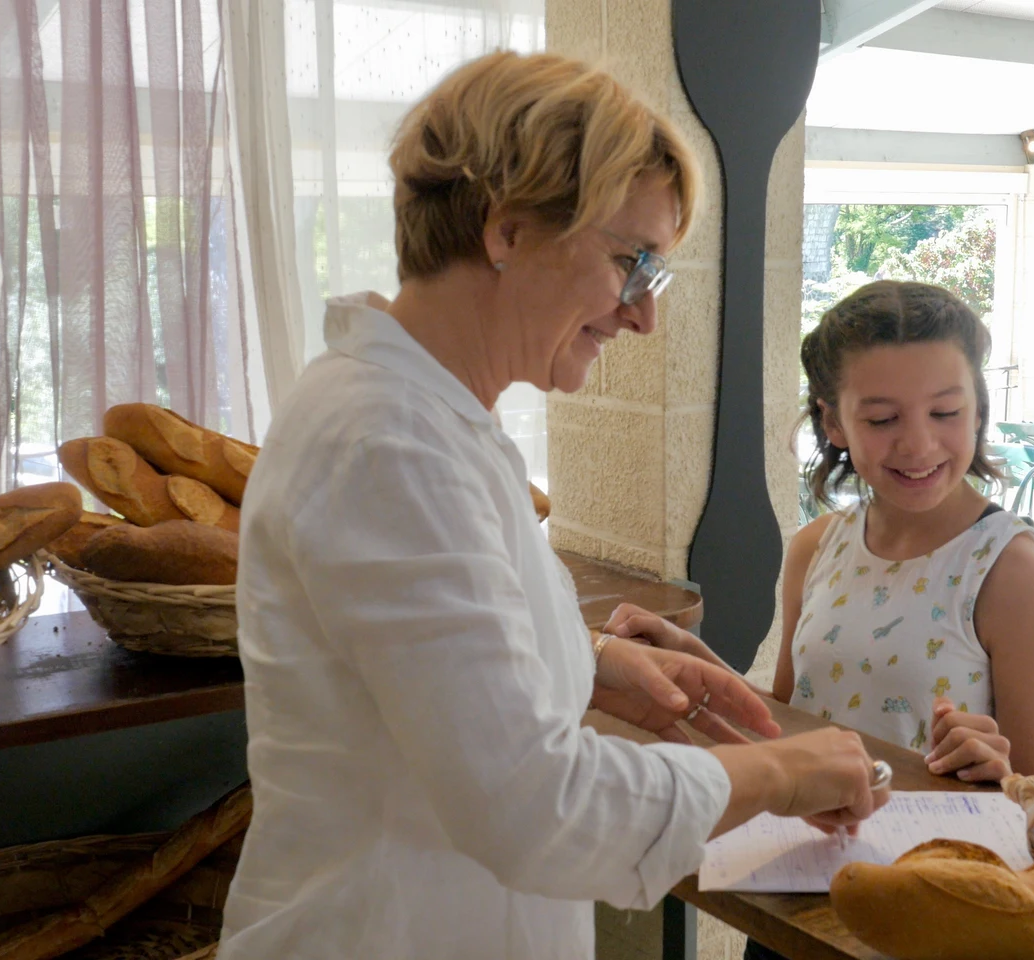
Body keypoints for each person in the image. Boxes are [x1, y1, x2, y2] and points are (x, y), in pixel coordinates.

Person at [217, 52, 889, 960]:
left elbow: (416, 662)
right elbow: (532, 807)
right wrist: (776, 770)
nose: (643, 315)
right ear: (508, 231)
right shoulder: (389, 443)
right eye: (630, 261)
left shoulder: (423, 416)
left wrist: (592, 663)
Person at [609, 281, 1034, 960]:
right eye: (883, 419)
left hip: (929, 915)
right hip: (798, 895)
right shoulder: (817, 546)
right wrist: (688, 654)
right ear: (832, 422)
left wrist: (995, 768)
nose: (919, 445)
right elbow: (794, 718)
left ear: (978, 408)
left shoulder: (1009, 570)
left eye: (946, 411)